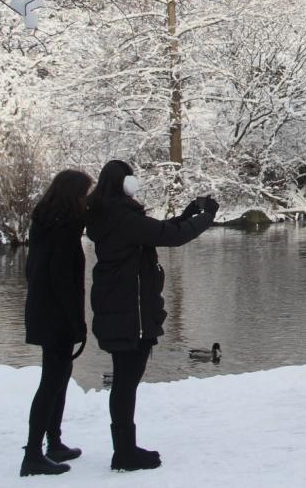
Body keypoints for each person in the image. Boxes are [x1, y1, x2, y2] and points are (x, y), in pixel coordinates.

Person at [85, 160, 218, 472]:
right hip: (130, 312)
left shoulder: (109, 215)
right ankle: (124, 453)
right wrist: (207, 217)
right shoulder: (122, 217)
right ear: (125, 184)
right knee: (126, 382)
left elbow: (157, 232)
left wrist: (186, 215)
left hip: (118, 307)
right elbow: (172, 237)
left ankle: (125, 449)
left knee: (124, 381)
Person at [21, 169, 93, 477]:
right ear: (72, 196)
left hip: (42, 311)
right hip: (56, 316)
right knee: (51, 381)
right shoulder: (62, 231)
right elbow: (63, 280)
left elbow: (35, 272)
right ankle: (34, 454)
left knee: (60, 376)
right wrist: (76, 322)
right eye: (84, 195)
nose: (86, 201)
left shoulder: (47, 223)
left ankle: (54, 442)